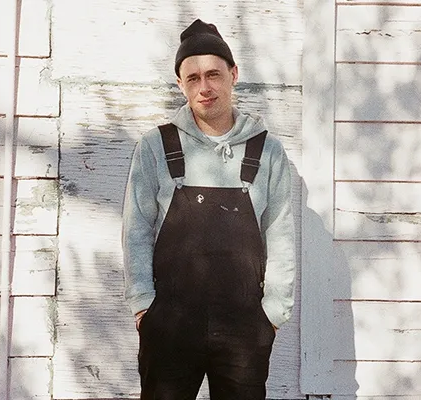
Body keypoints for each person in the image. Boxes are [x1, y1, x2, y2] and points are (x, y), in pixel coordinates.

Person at [122, 19, 296, 400]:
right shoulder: (155, 147)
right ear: (180, 84)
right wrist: (143, 306)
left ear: (234, 74)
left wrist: (273, 314)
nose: (205, 87)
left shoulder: (267, 151)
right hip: (169, 324)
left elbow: (280, 232)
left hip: (244, 329)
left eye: (214, 74)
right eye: (193, 78)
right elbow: (136, 230)